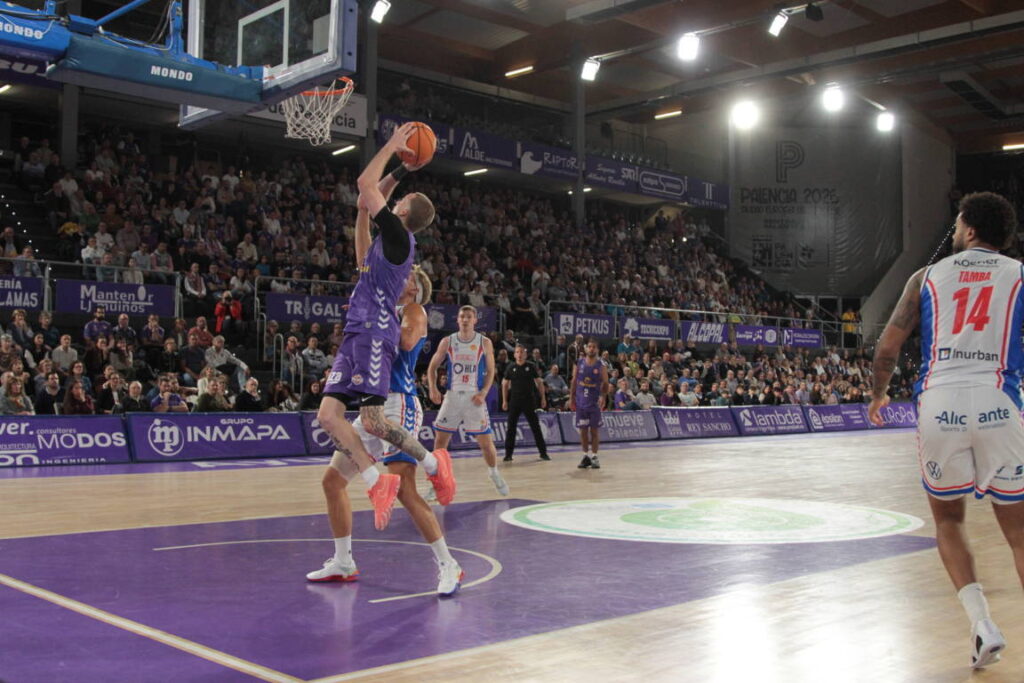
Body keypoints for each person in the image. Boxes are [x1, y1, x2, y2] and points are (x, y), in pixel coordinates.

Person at [868, 192, 1022, 670]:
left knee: (949, 520)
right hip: (999, 401)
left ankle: (982, 625)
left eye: (957, 224)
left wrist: (878, 394)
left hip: (941, 405)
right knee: (1019, 532)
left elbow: (887, 348)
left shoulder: (926, 276)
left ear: (970, 229)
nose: (954, 231)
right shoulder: (1019, 274)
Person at [316, 121, 453, 533]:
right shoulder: (382, 245)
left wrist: (393, 145)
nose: (396, 199)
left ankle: (427, 467)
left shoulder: (398, 238)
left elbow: (364, 184)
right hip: (358, 329)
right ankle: (380, 480)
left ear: (404, 212)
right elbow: (365, 203)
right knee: (330, 416)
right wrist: (402, 170)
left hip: (375, 334)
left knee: (374, 421)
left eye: (402, 198)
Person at [427, 305, 508, 496]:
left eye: (469, 317)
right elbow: (432, 367)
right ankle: (436, 483)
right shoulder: (448, 341)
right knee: (440, 442)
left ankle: (494, 473)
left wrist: (484, 392)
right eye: (462, 316)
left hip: (474, 397)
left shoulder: (484, 342)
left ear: (475, 320)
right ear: (457, 319)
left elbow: (491, 370)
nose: (465, 319)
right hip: (452, 396)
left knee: (486, 443)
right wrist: (433, 388)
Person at [501, 344, 549, 462]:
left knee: (535, 427)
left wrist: (543, 398)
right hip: (515, 401)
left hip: (529, 401)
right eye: (517, 352)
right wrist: (504, 400)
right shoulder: (511, 367)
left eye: (522, 352)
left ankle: (543, 453)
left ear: (525, 354)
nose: (519, 354)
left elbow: (539, 383)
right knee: (511, 428)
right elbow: (505, 384)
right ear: (514, 354)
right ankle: (508, 454)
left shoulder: (531, 366)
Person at [569, 338, 609, 469]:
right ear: (586, 348)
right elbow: (574, 380)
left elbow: (606, 383)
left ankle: (595, 457)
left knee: (594, 431)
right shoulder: (579, 362)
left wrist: (603, 396)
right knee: (583, 431)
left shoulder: (601, 365)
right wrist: (571, 398)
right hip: (580, 403)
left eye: (594, 347)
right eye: (589, 346)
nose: (591, 349)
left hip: (594, 403)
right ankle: (585, 456)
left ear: (597, 350)